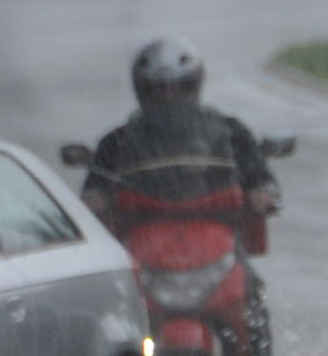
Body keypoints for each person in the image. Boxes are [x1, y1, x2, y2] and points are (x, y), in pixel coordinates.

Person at [82, 38, 277, 227]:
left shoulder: (229, 130)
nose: (168, 96)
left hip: (218, 230)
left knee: (243, 260)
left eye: (178, 88)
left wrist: (263, 190)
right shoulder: (117, 141)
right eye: (158, 90)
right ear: (142, 89)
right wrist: (96, 198)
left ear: (194, 85)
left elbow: (256, 170)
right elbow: (94, 189)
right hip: (140, 234)